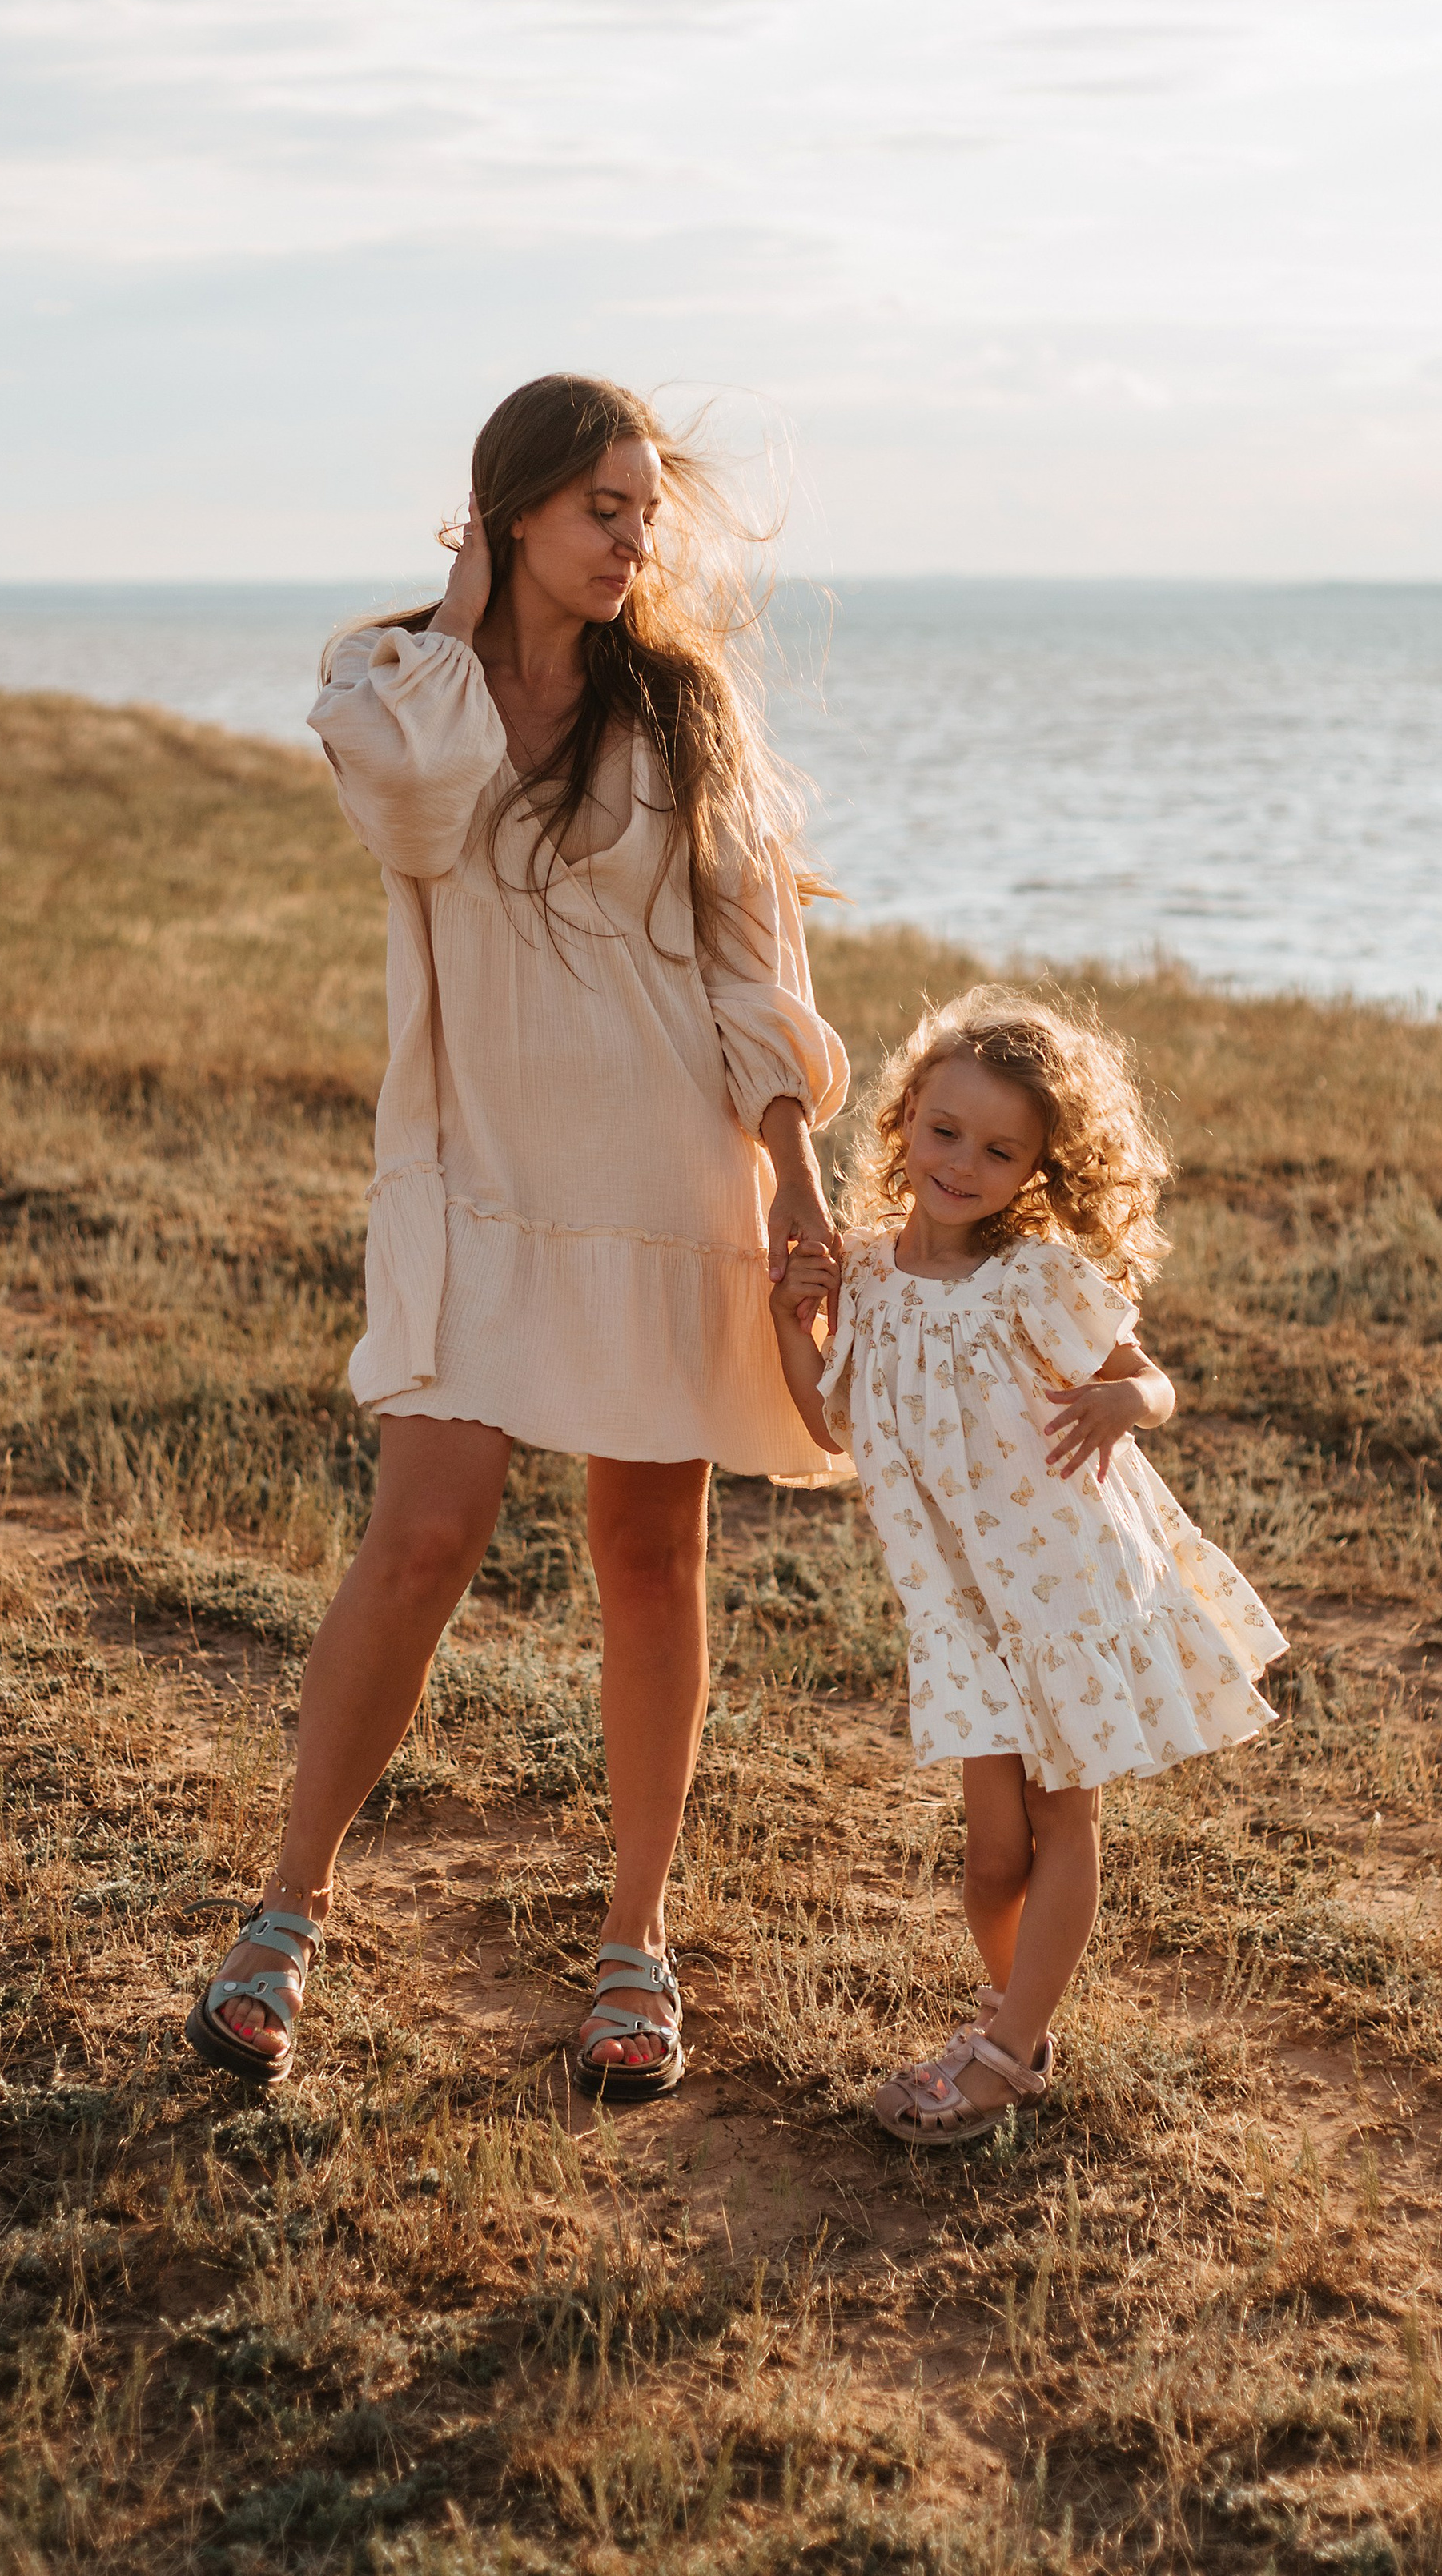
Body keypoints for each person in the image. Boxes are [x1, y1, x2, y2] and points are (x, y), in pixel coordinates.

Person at [186, 375, 847, 2099]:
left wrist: (796, 1188)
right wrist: (468, 618)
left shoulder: (681, 711)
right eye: (601, 511)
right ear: (512, 516)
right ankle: (282, 1917)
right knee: (423, 1534)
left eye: (648, 513)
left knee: (648, 1555)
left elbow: (746, 968)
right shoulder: (397, 681)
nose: (636, 540)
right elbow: (408, 811)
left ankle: (633, 1948)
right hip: (471, 1172)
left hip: (661, 1182)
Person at [769, 989, 1284, 2148]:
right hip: (957, 1610)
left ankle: (1005, 2055)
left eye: (1001, 1150)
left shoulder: (1034, 1280)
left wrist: (1124, 1402)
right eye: (946, 1133)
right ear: (904, 1121)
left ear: (1037, 1165)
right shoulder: (866, 1277)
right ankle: (1020, 2019)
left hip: (1061, 1590)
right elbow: (828, 1428)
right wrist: (787, 1325)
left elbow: (1148, 1377)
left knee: (1063, 1824)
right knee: (991, 1851)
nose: (965, 1164)